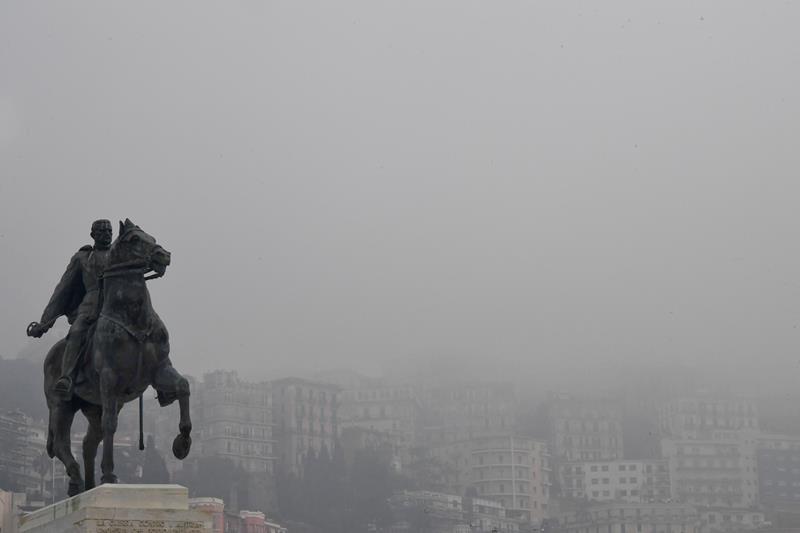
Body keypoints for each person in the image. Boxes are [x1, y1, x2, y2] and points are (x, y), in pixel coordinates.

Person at [27, 219, 113, 398]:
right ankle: (66, 376)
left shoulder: (119, 253)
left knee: (148, 327)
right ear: (93, 235)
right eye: (102, 231)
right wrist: (45, 322)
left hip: (119, 304)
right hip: (91, 304)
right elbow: (63, 289)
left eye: (109, 231)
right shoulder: (81, 258)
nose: (107, 234)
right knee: (77, 332)